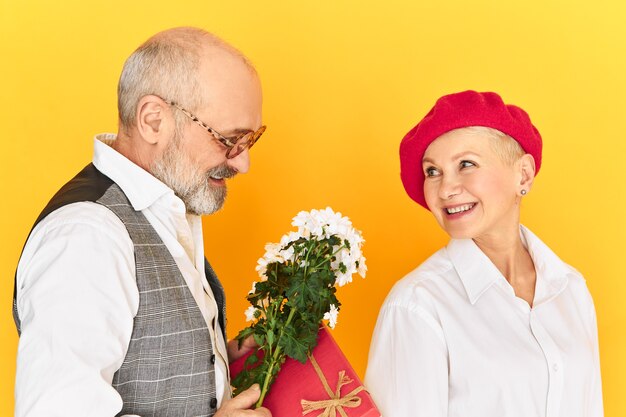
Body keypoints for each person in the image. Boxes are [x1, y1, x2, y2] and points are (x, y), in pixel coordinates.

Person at [13, 27, 271, 417]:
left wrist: (215, 359)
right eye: (228, 139)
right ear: (153, 120)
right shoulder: (88, 236)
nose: (242, 162)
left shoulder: (162, 206)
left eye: (250, 140)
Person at [365, 90, 603, 417]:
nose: (445, 188)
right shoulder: (417, 305)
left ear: (523, 174)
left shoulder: (571, 289)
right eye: (432, 171)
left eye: (466, 164)